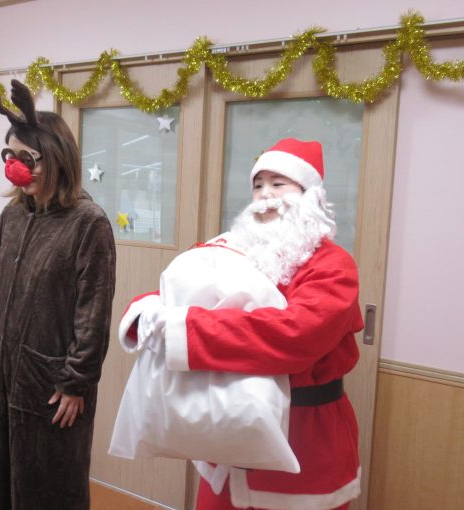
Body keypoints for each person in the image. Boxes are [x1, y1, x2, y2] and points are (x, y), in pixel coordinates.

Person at [120, 138, 363, 510]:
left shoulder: (334, 265)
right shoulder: (237, 251)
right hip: (226, 439)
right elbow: (186, 293)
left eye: (278, 183)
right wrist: (146, 313)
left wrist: (183, 329)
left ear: (310, 195)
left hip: (305, 441)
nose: (265, 195)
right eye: (258, 185)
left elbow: (295, 335)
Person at [0, 80, 116, 510]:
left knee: (48, 486)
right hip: (0, 374)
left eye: (28, 158)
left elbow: (93, 312)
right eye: (10, 157)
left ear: (57, 156)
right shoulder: (11, 216)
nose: (18, 168)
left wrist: (76, 382)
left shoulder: (88, 222)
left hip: (50, 386)